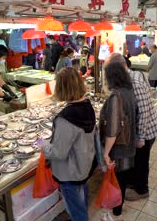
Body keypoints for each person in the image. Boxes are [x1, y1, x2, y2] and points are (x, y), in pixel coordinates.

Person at [38, 67, 96, 221]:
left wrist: (44, 145)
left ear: (61, 87)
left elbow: (59, 153)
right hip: (84, 165)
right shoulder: (87, 106)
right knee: (82, 198)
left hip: (70, 173)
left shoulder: (66, 119)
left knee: (76, 211)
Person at [104, 53, 157, 201]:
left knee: (141, 162)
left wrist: (140, 137)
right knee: (136, 161)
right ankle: (133, 183)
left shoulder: (134, 81)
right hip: (139, 131)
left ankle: (142, 190)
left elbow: (144, 110)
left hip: (145, 132)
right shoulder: (131, 76)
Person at [99, 62, 137, 220]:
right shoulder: (129, 91)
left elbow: (113, 129)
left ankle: (115, 214)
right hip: (129, 144)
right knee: (122, 179)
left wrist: (106, 153)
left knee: (117, 181)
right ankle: (118, 209)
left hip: (119, 148)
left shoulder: (116, 97)